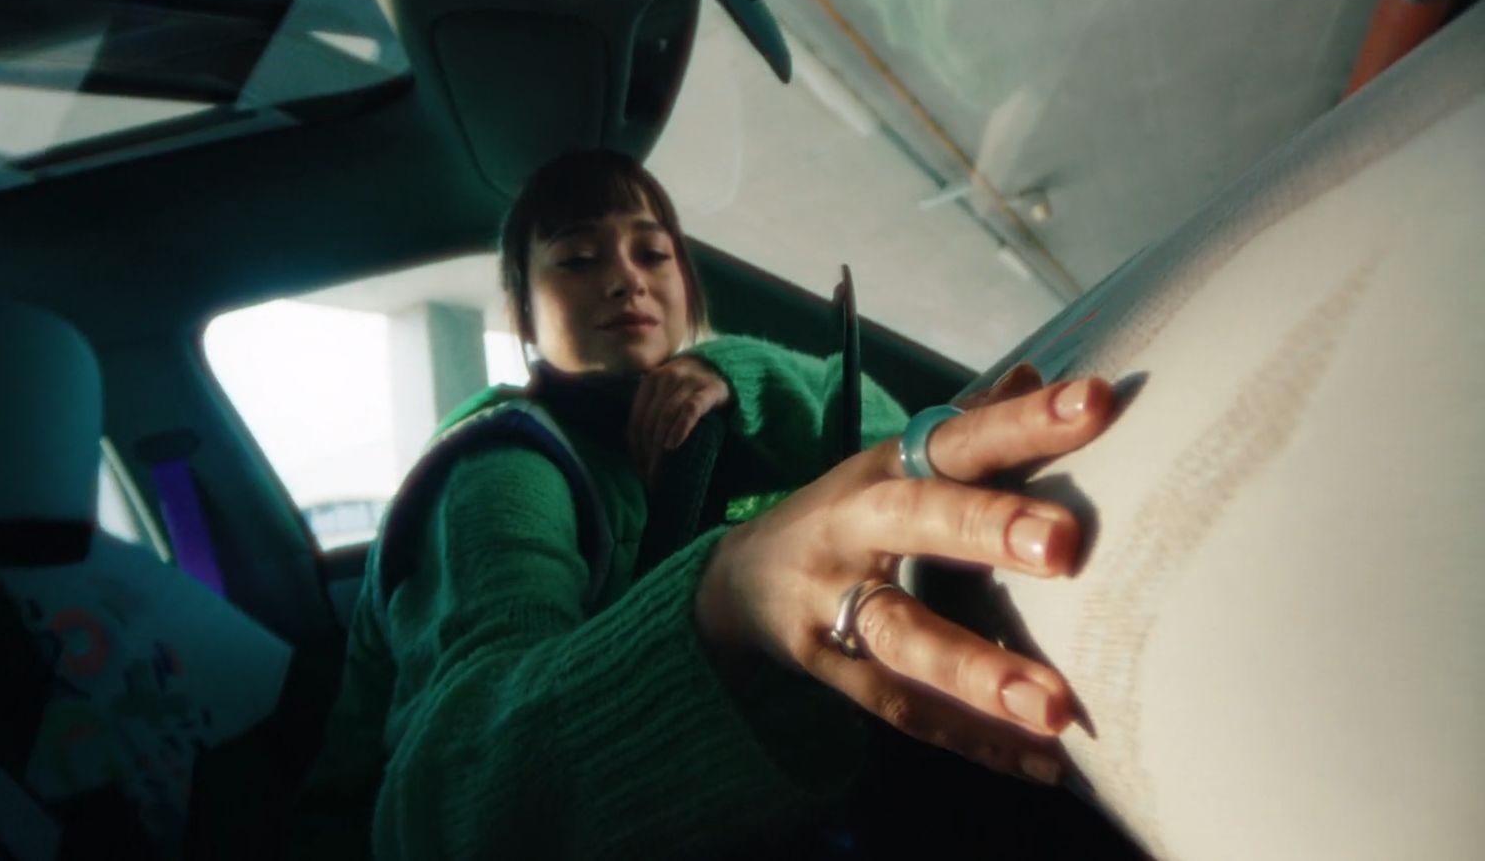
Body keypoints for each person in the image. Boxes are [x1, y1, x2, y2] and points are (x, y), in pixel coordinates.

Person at [297, 149, 1116, 859]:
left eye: (652, 253)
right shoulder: (504, 470)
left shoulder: (713, 425)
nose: (625, 277)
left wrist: (735, 373)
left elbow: (886, 435)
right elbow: (448, 808)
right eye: (578, 259)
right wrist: (728, 598)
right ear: (523, 314)